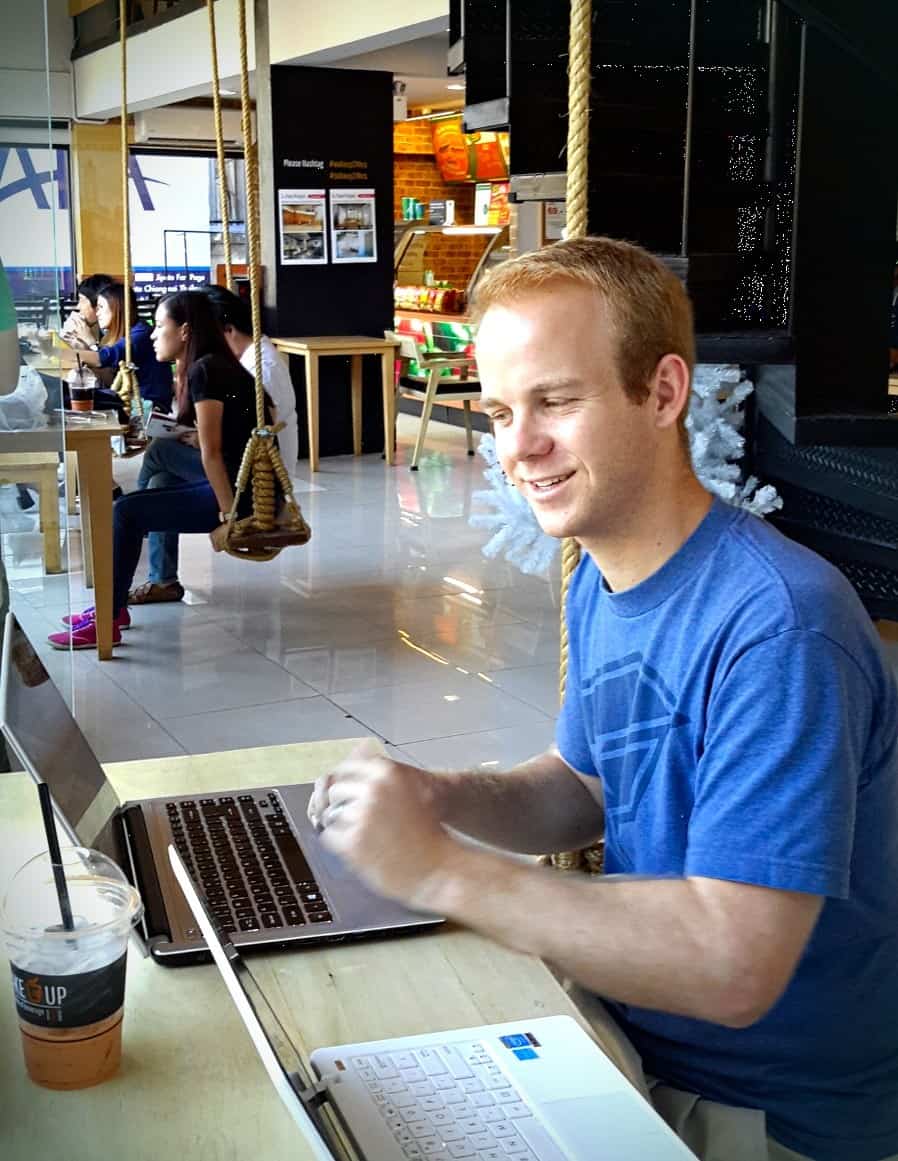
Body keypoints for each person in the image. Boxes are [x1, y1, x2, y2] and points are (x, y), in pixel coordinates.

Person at [307, 237, 898, 1161]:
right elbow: (581, 786)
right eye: (501, 411)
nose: (517, 447)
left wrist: (438, 869)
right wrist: (438, 796)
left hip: (760, 1114)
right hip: (626, 1032)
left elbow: (733, 963)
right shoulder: (602, 572)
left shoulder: (781, 626)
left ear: (663, 394)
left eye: (556, 400)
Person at [49, 290, 269, 649]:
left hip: (239, 493)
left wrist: (230, 517)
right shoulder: (211, 364)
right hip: (237, 480)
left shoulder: (204, 370)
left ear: (184, 331)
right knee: (162, 478)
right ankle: (118, 602)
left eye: (160, 326)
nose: (152, 335)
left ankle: (109, 617)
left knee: (125, 512)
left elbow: (213, 453)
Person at [203, 284, 298, 475]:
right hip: (247, 464)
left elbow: (241, 433)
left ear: (229, 330)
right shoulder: (248, 360)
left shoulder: (261, 369)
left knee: (161, 453)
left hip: (259, 474)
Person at [63, 281, 173, 412]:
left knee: (73, 400)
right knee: (71, 396)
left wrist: (55, 351)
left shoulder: (140, 335)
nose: (97, 313)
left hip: (148, 408)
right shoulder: (120, 334)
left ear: (117, 307)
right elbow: (110, 377)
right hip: (130, 402)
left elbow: (102, 358)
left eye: (101, 307)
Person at [59, 273, 113, 351]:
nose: (78, 307)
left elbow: (103, 360)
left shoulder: (120, 334)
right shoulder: (98, 328)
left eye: (82, 300)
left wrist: (90, 341)